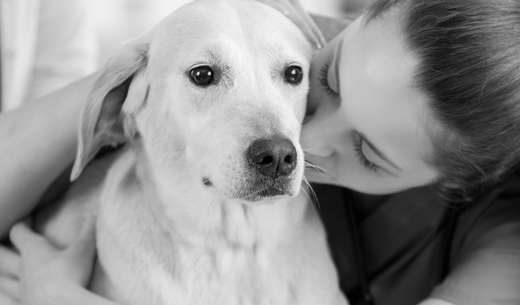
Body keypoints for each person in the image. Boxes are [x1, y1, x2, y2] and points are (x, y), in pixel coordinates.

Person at [1, 0, 520, 304]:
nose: (299, 143)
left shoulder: (502, 241)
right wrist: (146, 64)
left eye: (367, 152)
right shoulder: (290, 31)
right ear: (343, 29)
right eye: (323, 79)